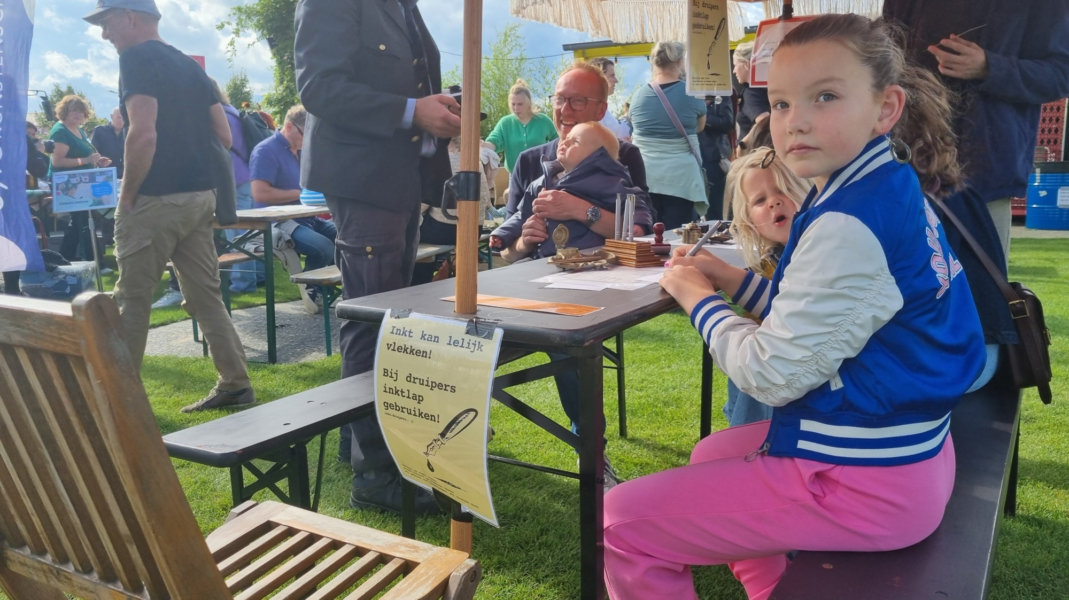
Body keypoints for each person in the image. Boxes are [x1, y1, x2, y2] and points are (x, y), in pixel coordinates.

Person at [603, 15, 987, 600]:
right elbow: (827, 317)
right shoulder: (883, 185)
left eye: (824, 96)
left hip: (865, 481)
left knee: (621, 522)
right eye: (780, 104)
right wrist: (728, 277)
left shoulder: (847, 221)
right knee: (710, 451)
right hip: (911, 455)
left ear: (886, 108)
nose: (795, 121)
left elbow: (772, 374)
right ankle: (773, 591)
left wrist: (699, 299)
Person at [295, 0, 459, 514]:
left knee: (378, 317)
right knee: (374, 321)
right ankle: (375, 474)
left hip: (396, 180)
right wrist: (413, 111)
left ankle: (360, 445)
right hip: (364, 179)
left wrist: (437, 110)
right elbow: (318, 87)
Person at [882, 0, 1069, 378]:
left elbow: (1060, 72)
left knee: (979, 298)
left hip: (984, 170)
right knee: (898, 289)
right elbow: (880, 53)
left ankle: (973, 399)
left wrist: (990, 67)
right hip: (903, 161)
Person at [85, 0, 254, 413]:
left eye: (106, 22)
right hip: (200, 198)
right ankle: (235, 383)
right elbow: (224, 136)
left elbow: (142, 135)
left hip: (155, 200)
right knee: (205, 297)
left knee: (132, 299)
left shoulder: (136, 57)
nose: (104, 34)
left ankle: (119, 409)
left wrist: (127, 197)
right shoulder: (190, 66)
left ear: (128, 16)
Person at [495, 61, 654, 490]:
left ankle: (591, 454)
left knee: (572, 343)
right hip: (529, 281)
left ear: (601, 108)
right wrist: (524, 242)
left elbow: (636, 231)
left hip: (595, 284)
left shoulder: (623, 157)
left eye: (577, 100)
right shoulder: (531, 162)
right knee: (459, 333)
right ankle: (462, 431)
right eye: (560, 99)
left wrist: (578, 210)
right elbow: (507, 253)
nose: (565, 109)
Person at [720, 148, 807, 427]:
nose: (774, 203)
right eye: (760, 200)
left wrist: (719, 278)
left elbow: (789, 311)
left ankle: (744, 441)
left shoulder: (814, 256)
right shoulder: (766, 266)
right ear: (751, 224)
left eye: (783, 189)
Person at [491, 122, 648, 261]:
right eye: (567, 138)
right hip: (544, 259)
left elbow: (633, 201)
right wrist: (503, 234)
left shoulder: (606, 181)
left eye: (576, 142)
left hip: (590, 259)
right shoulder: (542, 182)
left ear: (598, 157)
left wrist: (638, 224)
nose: (565, 142)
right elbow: (522, 214)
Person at [249, 104, 337, 309]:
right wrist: (301, 194)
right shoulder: (265, 151)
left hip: (307, 218)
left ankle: (325, 289)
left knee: (345, 237)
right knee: (323, 248)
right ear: (289, 127)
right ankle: (312, 291)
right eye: (305, 134)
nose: (308, 140)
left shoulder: (301, 151)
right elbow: (260, 193)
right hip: (278, 223)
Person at [630, 41, 708, 228]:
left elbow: (635, 128)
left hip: (646, 175)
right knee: (678, 236)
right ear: (680, 62)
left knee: (650, 235)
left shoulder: (638, 96)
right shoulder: (692, 94)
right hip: (681, 178)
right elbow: (699, 127)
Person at [412, 135, 494, 285]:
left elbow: (422, 203)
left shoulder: (439, 161)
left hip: (447, 229)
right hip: (475, 228)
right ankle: (440, 267)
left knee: (410, 230)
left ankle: (421, 280)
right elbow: (487, 202)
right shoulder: (475, 161)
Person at [49, 95, 112, 264]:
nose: (78, 114)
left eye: (81, 111)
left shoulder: (80, 130)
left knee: (80, 221)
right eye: (74, 111)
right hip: (67, 184)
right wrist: (85, 161)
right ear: (64, 112)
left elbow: (85, 155)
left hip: (82, 182)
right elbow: (57, 161)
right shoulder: (60, 131)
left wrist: (97, 161)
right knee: (83, 220)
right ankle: (93, 261)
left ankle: (65, 258)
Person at [483, 79, 557, 173]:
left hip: (541, 175)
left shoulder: (543, 121)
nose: (516, 108)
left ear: (529, 103)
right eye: (513, 104)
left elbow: (558, 142)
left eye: (520, 104)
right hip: (515, 176)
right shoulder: (505, 123)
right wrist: (483, 145)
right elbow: (494, 141)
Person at [699, 95, 735, 219]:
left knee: (717, 210)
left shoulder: (720, 91)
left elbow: (727, 123)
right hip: (688, 156)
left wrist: (700, 114)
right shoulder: (683, 91)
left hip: (713, 156)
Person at [732, 41, 771, 143]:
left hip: (755, 153)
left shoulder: (752, 93)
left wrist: (744, 143)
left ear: (746, 64)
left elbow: (765, 122)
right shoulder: (767, 87)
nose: (734, 71)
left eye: (736, 65)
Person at [589, 57, 630, 140]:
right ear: (600, 78)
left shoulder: (599, 106)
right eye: (612, 76)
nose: (616, 80)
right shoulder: (591, 110)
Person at [91, 107, 126, 178]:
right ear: (111, 117)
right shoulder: (100, 131)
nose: (122, 120)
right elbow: (93, 152)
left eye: (124, 117)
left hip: (125, 175)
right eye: (119, 117)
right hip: (106, 175)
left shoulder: (129, 133)